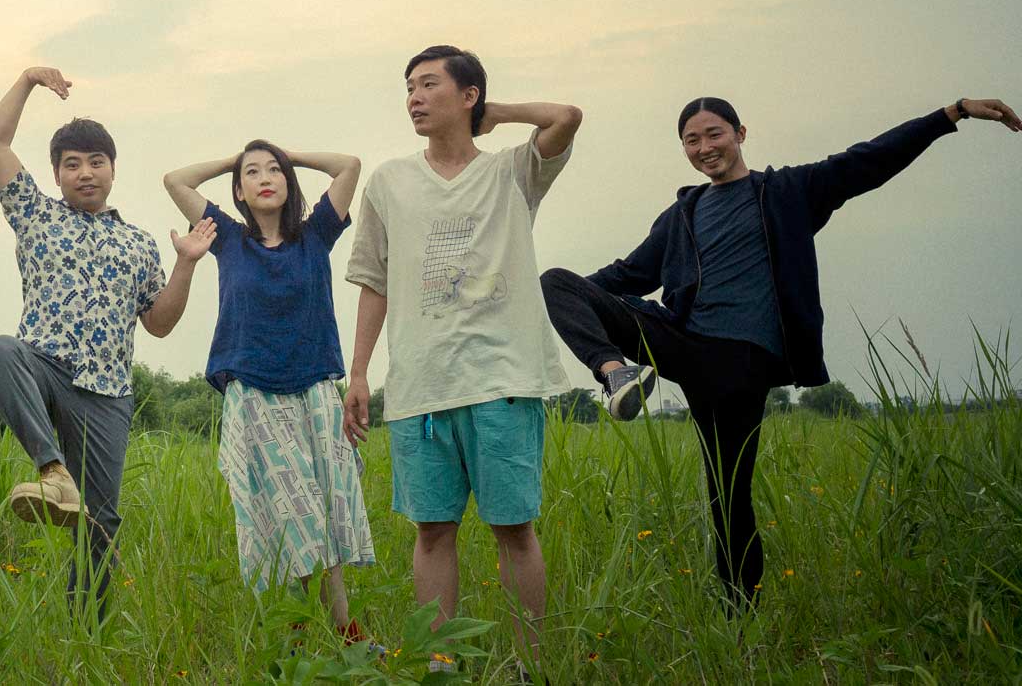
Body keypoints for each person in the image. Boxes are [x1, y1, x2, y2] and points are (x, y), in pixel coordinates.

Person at [541, 93, 1021, 606]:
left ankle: (738, 611)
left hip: (741, 360)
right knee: (555, 281)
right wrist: (554, 303)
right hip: (684, 342)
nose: (704, 148)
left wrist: (952, 113)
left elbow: (871, 159)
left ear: (740, 134)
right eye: (692, 140)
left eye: (714, 134)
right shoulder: (683, 214)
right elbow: (627, 276)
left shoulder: (788, 191)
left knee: (728, 494)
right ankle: (616, 373)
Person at [340, 45, 582, 672]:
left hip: (502, 378)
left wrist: (492, 113)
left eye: (428, 85)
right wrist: (361, 371)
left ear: (467, 94)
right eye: (408, 89)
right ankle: (440, 665)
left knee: (514, 530)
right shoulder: (390, 182)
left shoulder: (511, 172)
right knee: (432, 530)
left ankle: (533, 665)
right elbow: (374, 279)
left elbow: (565, 116)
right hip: (421, 383)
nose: (414, 98)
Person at [0, 65, 210, 613]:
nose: (86, 173)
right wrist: (29, 80)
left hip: (107, 392)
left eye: (96, 162)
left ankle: (88, 628)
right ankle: (52, 471)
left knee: (101, 522)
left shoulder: (139, 243)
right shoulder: (34, 215)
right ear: (55, 174)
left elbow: (159, 323)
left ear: (113, 169)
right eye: (72, 164)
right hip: (42, 366)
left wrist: (185, 264)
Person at [162, 139, 376, 640]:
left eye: (274, 171)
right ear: (238, 189)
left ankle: (341, 631)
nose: (265, 177)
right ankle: (305, 631)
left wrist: (289, 155)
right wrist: (234, 158)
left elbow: (348, 165)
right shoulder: (229, 240)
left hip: (316, 392)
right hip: (256, 395)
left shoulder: (316, 235)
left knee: (325, 507)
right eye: (252, 173)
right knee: (288, 513)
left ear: (289, 183)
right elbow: (176, 180)